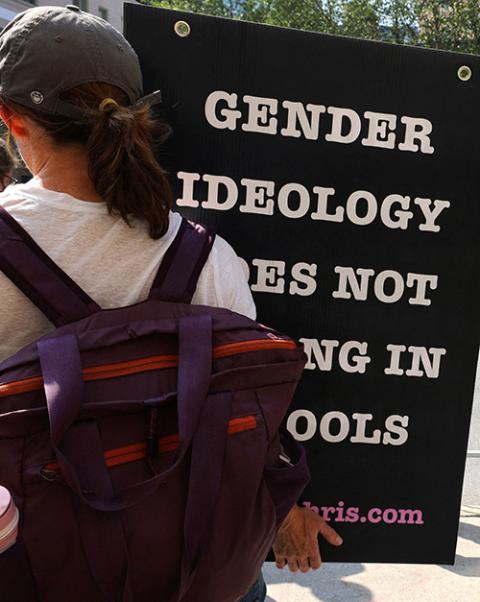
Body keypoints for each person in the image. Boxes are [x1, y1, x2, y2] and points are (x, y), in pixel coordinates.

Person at [0, 6, 342, 601]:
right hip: (193, 569)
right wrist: (284, 516)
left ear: (11, 119)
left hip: (39, 568)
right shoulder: (208, 257)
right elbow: (250, 428)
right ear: (135, 115)